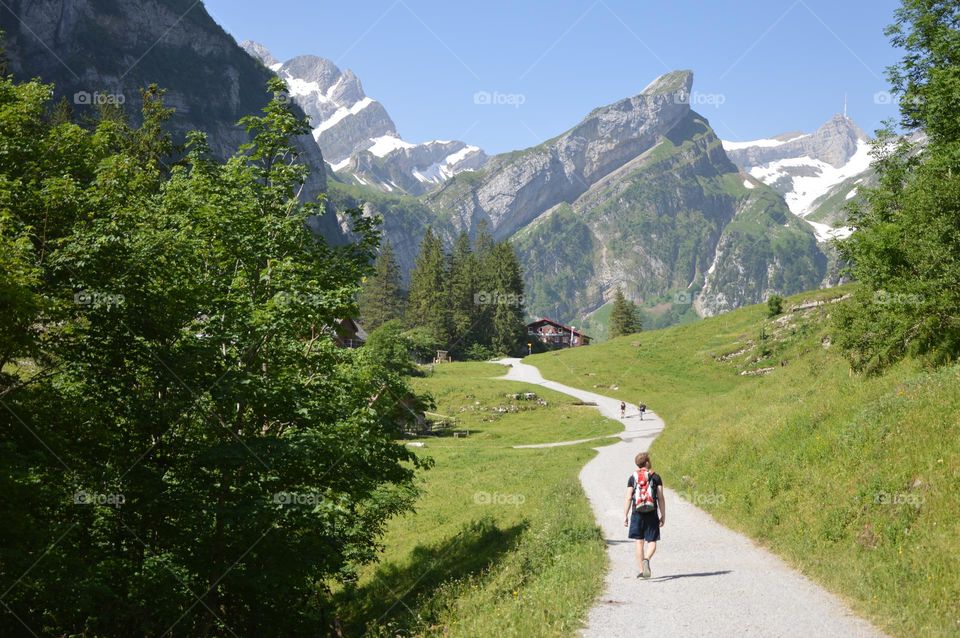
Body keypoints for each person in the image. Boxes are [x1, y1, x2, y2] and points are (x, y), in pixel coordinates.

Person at [623, 451, 665, 579]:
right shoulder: (655, 477)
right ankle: (647, 559)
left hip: (637, 513)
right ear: (647, 463)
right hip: (651, 513)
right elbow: (660, 497)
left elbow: (629, 497)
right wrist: (663, 515)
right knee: (652, 541)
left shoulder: (632, 477)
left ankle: (642, 570)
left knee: (639, 542)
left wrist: (625, 515)